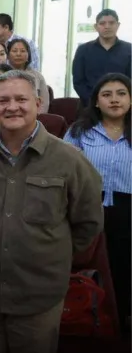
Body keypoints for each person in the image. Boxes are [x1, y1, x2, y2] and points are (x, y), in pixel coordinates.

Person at [0, 70, 103, 353]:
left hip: (39, 297)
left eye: (22, 99)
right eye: (3, 100)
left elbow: (88, 223)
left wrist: (52, 258)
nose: (13, 107)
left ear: (38, 103)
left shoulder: (70, 160)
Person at [64, 73, 131, 334]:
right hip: (88, 206)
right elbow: (66, 170)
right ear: (96, 102)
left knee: (123, 265)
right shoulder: (79, 131)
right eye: (107, 94)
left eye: (121, 93)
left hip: (128, 209)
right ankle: (87, 316)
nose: (114, 100)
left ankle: (122, 320)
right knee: (89, 264)